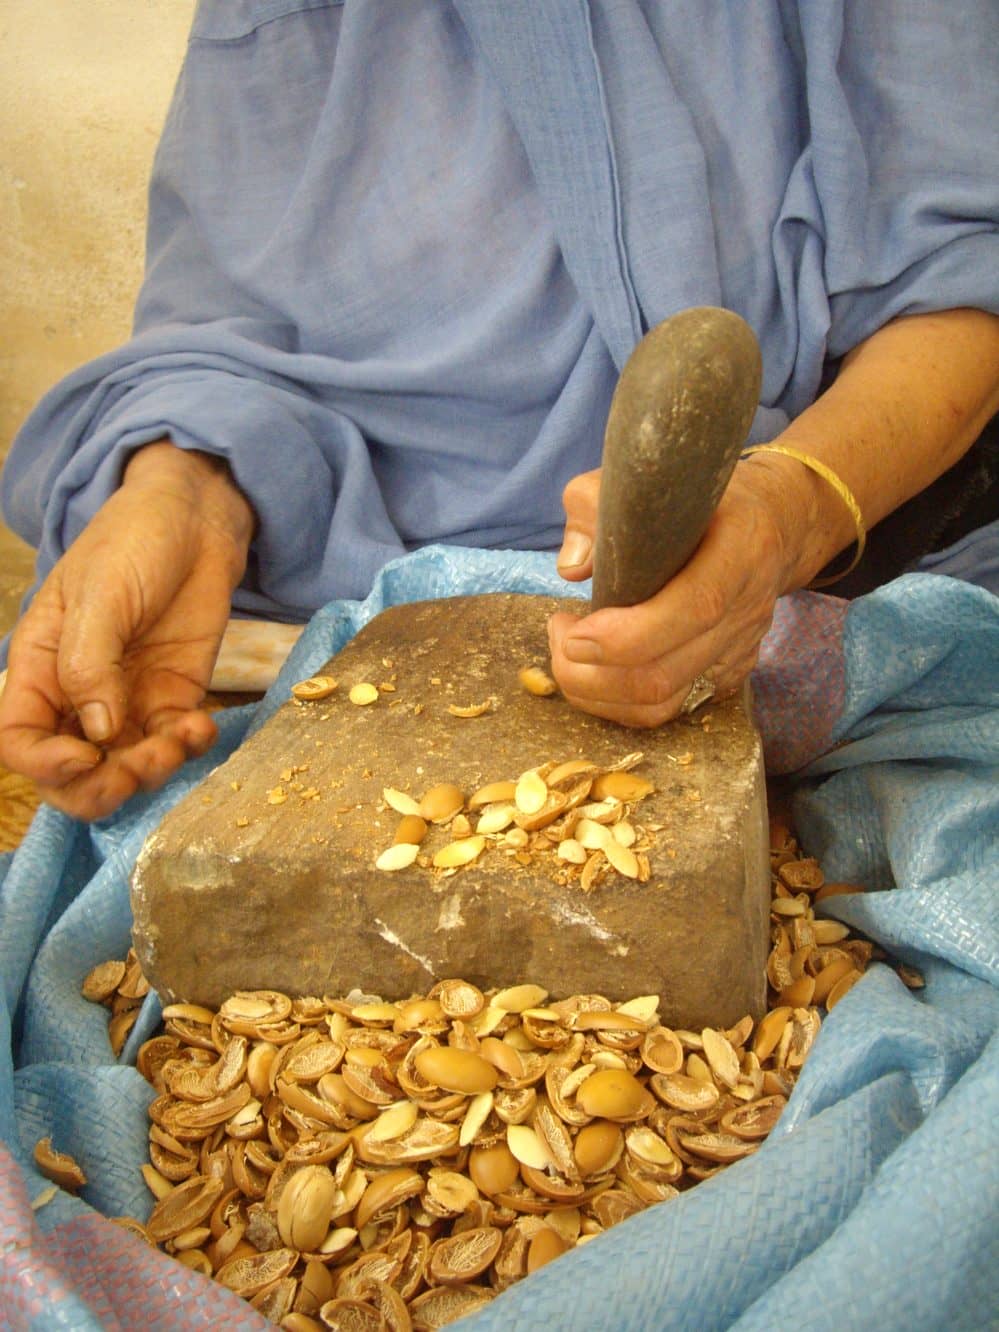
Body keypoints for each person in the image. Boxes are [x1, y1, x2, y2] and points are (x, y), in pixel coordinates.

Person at [0, 1, 997, 822]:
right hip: (324, 613)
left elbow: (965, 290)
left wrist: (788, 508)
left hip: (826, 570)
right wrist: (185, 496)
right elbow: (235, 326)